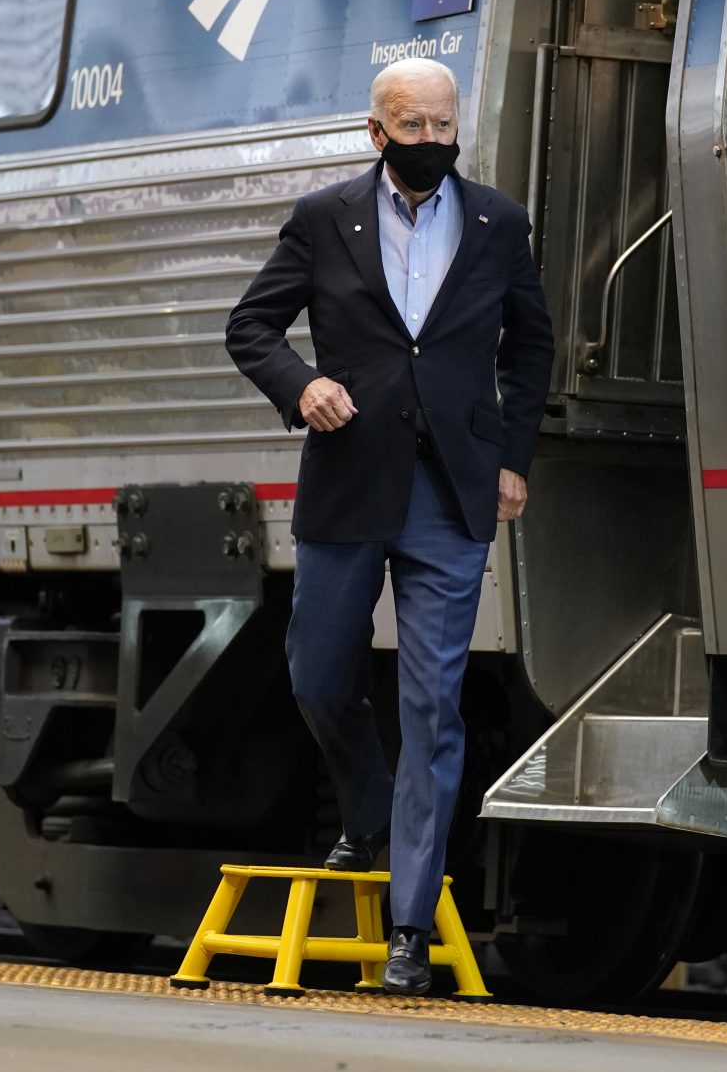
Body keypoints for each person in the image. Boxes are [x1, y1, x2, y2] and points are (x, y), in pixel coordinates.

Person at [226, 58, 554, 994]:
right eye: (410, 128)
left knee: (432, 706)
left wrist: (513, 456)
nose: (429, 144)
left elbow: (533, 346)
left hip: (453, 495)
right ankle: (367, 805)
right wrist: (304, 387)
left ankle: (410, 926)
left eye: (442, 127)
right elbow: (251, 327)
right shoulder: (325, 217)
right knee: (317, 676)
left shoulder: (498, 224)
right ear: (376, 133)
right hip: (349, 482)